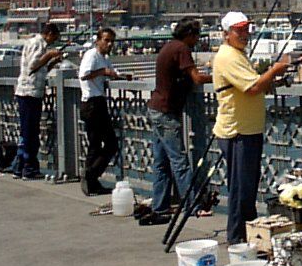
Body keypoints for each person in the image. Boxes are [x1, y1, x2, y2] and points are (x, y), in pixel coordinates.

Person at [212, 10, 290, 244]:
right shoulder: (228, 56)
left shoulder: (238, 54)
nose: (245, 34)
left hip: (248, 130)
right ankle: (238, 240)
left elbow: (252, 85)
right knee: (240, 191)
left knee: (247, 188)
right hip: (238, 132)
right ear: (226, 34)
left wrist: (272, 80)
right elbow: (252, 88)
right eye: (239, 30)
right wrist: (274, 70)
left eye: (246, 29)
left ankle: (249, 236)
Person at [143, 17, 212, 224]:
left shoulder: (169, 46)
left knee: (161, 163)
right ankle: (192, 206)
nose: (197, 40)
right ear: (189, 35)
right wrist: (220, 76)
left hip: (156, 108)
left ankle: (160, 207)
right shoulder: (182, 48)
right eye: (197, 36)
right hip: (166, 112)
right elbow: (197, 78)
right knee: (179, 161)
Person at [78, 28, 132, 196]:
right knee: (103, 143)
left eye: (111, 41)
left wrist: (123, 77)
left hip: (99, 102)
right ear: (98, 41)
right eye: (106, 40)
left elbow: (112, 72)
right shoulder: (91, 55)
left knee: (101, 144)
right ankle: (89, 177)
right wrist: (103, 72)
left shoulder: (104, 58)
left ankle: (91, 180)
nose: (109, 44)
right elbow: (83, 75)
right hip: (91, 103)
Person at [11, 23, 63, 179]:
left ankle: (19, 167)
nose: (54, 41)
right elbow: (33, 65)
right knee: (30, 132)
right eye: (54, 37)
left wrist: (53, 62)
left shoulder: (37, 44)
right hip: (29, 93)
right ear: (49, 33)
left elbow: (39, 69)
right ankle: (28, 168)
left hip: (32, 93)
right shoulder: (37, 43)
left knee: (27, 131)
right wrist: (49, 55)